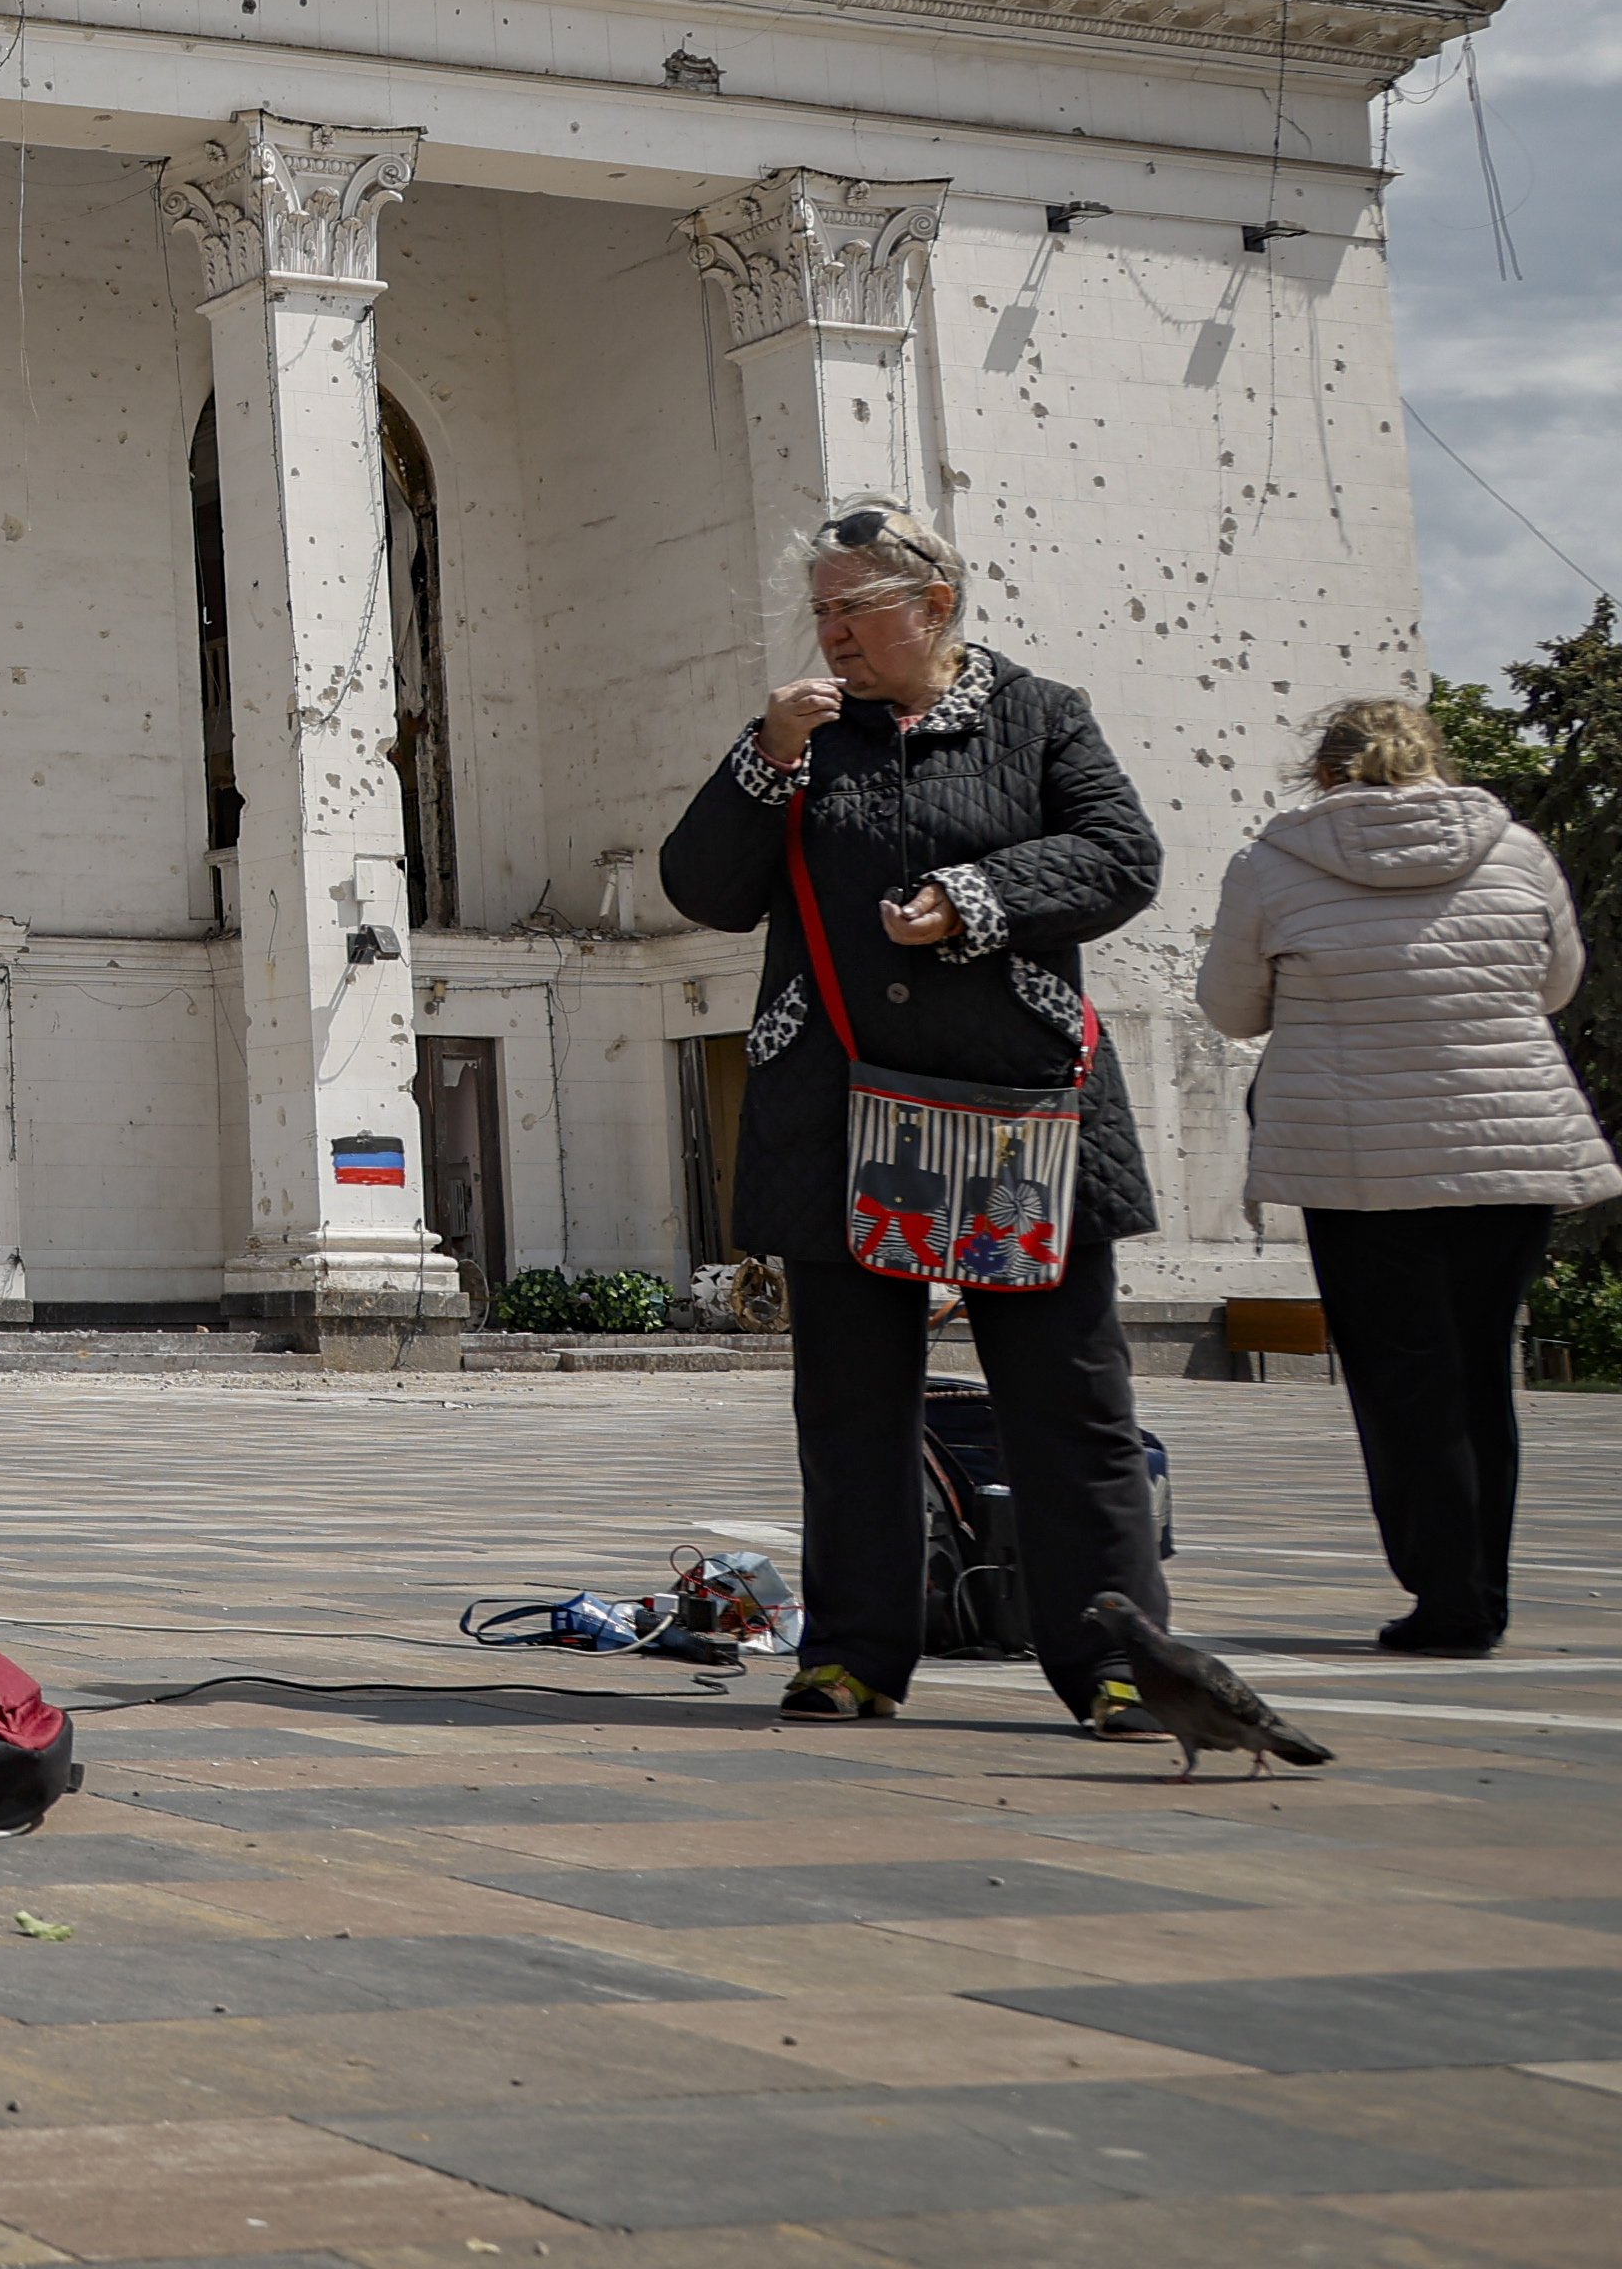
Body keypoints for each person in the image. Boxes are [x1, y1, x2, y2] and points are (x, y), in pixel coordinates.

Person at [661, 503, 1172, 1729]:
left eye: (856, 609)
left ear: (933, 608)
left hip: (1013, 1118)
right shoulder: (800, 738)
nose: (831, 634)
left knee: (1069, 1403)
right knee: (850, 1404)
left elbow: (1121, 854)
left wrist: (977, 894)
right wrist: (762, 762)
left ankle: (1113, 1662)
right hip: (838, 1117)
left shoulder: (1042, 716)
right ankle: (850, 1656)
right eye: (822, 612)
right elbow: (705, 890)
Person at [1195, 695, 1617, 1654]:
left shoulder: (1273, 862)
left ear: (1326, 769)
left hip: (1358, 1160)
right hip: (1506, 1145)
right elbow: (1556, 985)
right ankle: (1481, 1597)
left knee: (1401, 1378)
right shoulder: (1518, 850)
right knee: (1479, 1372)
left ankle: (1443, 1596)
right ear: (1436, 759)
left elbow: (1230, 1010)